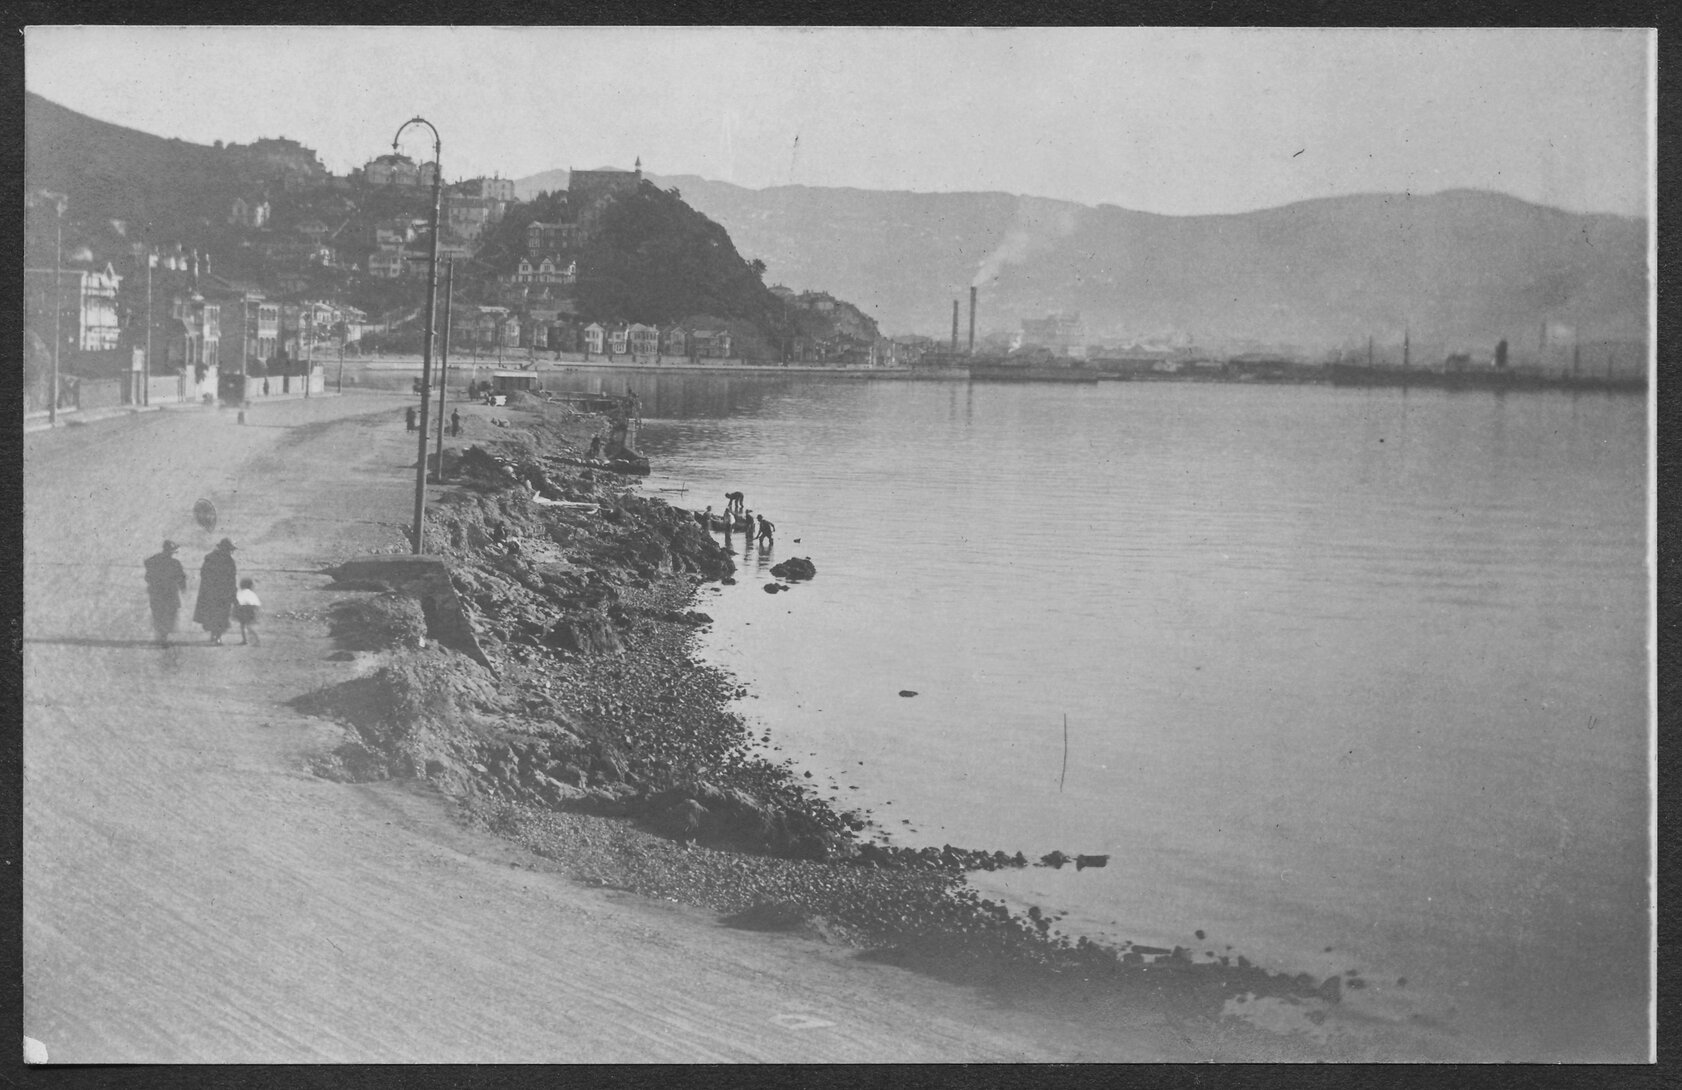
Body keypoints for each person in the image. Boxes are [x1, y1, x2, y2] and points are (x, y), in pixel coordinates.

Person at [194, 538, 239, 644]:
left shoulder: (216, 559)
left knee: (218, 615)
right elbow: (205, 574)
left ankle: (215, 635)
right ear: (223, 548)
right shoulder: (223, 560)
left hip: (217, 592)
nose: (230, 552)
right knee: (219, 615)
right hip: (218, 592)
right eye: (228, 549)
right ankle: (216, 636)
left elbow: (232, 578)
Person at [143, 539, 187, 647]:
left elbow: (147, 577)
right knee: (168, 614)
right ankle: (163, 636)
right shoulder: (175, 563)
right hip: (169, 593)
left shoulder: (154, 561)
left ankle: (162, 635)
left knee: (160, 614)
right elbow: (181, 578)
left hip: (157, 592)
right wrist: (182, 587)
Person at [233, 578, 261, 646]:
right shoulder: (251, 593)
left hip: (242, 610)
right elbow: (257, 603)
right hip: (250, 610)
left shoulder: (240, 592)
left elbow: (237, 601)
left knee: (243, 626)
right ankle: (255, 639)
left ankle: (245, 640)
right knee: (249, 626)